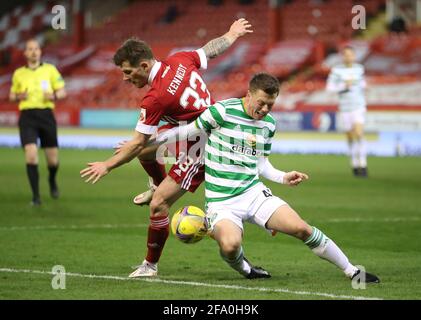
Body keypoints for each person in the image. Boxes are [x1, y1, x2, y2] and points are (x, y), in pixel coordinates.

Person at [156, 73, 379, 283]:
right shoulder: (221, 112)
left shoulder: (269, 124)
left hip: (253, 193)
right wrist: (148, 142)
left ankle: (352, 271)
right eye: (261, 103)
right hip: (221, 202)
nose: (264, 109)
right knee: (231, 245)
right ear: (249, 94)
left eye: (270, 105)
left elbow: (261, 163)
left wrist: (283, 177)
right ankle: (246, 269)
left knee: (302, 228)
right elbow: (188, 132)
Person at [80, 19, 253, 277]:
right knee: (146, 149)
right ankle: (155, 184)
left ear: (144, 65)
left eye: (128, 72)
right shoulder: (179, 60)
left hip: (205, 145)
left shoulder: (155, 98)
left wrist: (107, 165)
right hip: (200, 131)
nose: (125, 78)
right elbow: (210, 49)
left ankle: (149, 266)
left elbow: (137, 142)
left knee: (158, 204)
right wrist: (231, 34)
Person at [9, 39, 66, 206]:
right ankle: (36, 197)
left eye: (36, 49)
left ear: (40, 52)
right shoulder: (18, 73)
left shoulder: (50, 70)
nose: (33, 51)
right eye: (30, 49)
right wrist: (18, 97)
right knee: (31, 154)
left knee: (52, 161)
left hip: (46, 116)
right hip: (27, 116)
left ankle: (52, 179)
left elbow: (62, 91)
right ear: (25, 53)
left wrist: (54, 96)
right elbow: (12, 96)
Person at [326, 46, 368, 177]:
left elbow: (362, 84)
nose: (349, 57)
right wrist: (344, 86)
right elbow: (330, 88)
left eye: (351, 55)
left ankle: (363, 164)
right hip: (345, 108)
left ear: (354, 56)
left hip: (358, 106)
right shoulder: (336, 71)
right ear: (343, 57)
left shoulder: (359, 69)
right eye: (346, 55)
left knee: (359, 133)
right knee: (350, 136)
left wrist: (365, 86)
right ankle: (354, 163)